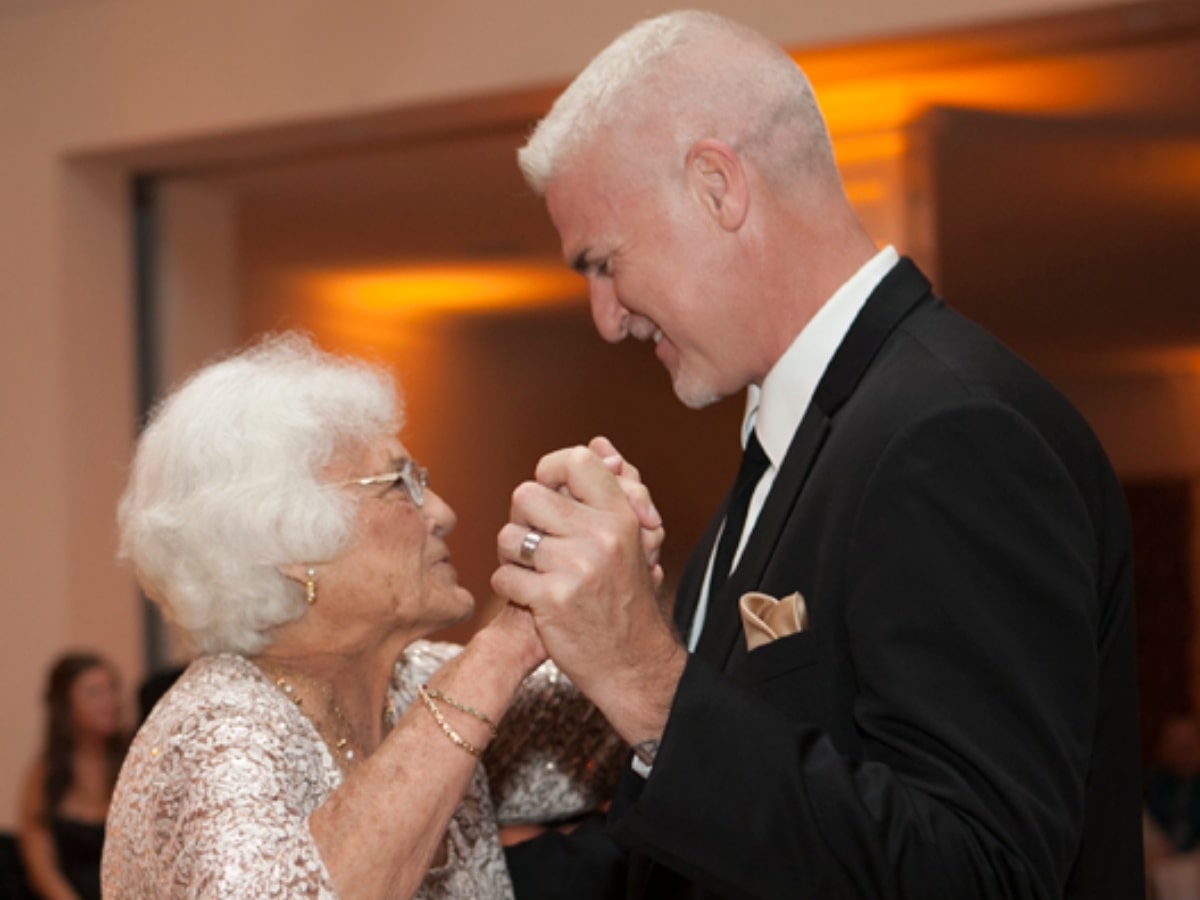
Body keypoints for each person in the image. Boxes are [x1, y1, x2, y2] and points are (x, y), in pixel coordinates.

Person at [493, 10, 1143, 898]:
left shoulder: (948, 433)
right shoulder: (797, 445)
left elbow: (979, 874)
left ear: (717, 186)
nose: (608, 319)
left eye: (604, 262)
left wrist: (647, 679)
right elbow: (725, 846)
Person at [103, 333, 636, 899]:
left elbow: (638, 736)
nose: (442, 514)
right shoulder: (215, 734)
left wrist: (612, 569)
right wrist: (503, 649)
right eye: (401, 484)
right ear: (287, 540)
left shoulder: (411, 682)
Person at [18, 652, 127, 900]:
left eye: (112, 688)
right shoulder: (47, 774)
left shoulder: (134, 762)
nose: (110, 701)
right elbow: (42, 869)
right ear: (66, 705)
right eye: (94, 693)